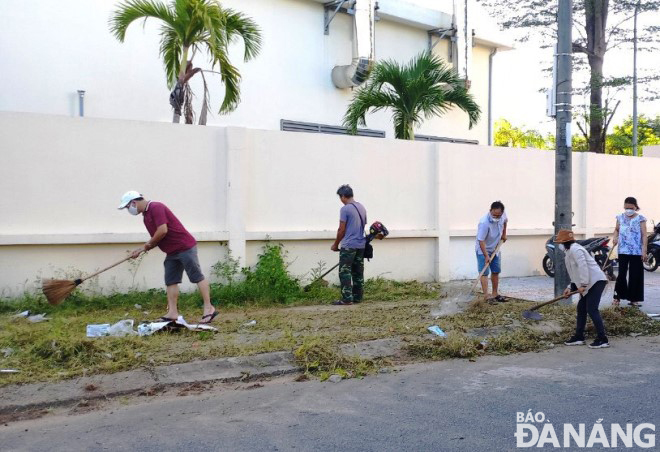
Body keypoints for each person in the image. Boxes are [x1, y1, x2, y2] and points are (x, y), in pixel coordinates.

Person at [118, 191, 218, 324]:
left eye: (127, 207)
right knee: (171, 280)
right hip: (171, 251)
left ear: (134, 203)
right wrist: (141, 250)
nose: (128, 210)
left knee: (196, 276)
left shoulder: (156, 207)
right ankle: (172, 313)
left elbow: (162, 230)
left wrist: (145, 246)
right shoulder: (146, 216)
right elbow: (157, 238)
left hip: (184, 247)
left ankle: (209, 308)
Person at [556, 229, 610, 349]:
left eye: (560, 242)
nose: (559, 245)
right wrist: (570, 288)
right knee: (581, 308)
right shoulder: (568, 253)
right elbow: (574, 273)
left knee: (592, 309)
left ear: (565, 242)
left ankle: (603, 339)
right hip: (587, 283)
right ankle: (579, 337)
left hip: (596, 281)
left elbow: (583, 267)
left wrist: (584, 285)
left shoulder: (577, 250)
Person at [330, 184, 367, 306]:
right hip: (361, 245)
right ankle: (358, 297)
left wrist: (335, 244)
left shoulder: (345, 209)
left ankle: (347, 298)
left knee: (344, 271)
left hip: (348, 245)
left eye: (340, 197)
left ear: (343, 196)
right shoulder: (361, 207)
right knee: (358, 272)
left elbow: (341, 229)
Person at [612, 196, 647, 307]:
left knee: (635, 274)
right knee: (621, 274)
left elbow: (644, 235)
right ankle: (617, 298)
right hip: (623, 250)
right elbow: (616, 230)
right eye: (626, 208)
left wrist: (644, 250)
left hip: (636, 251)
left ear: (635, 207)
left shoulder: (640, 218)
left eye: (631, 207)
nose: (628, 210)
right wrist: (615, 237)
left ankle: (634, 299)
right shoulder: (620, 217)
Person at [475, 201, 508, 301]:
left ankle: (494, 294)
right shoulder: (484, 222)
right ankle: (486, 296)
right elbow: (481, 240)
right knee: (484, 272)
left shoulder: (502, 216)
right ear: (490, 211)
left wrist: (504, 234)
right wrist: (486, 256)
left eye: (498, 215)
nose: (496, 217)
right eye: (494, 215)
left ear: (502, 213)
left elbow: (506, 221)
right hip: (483, 249)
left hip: (495, 248)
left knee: (496, 271)